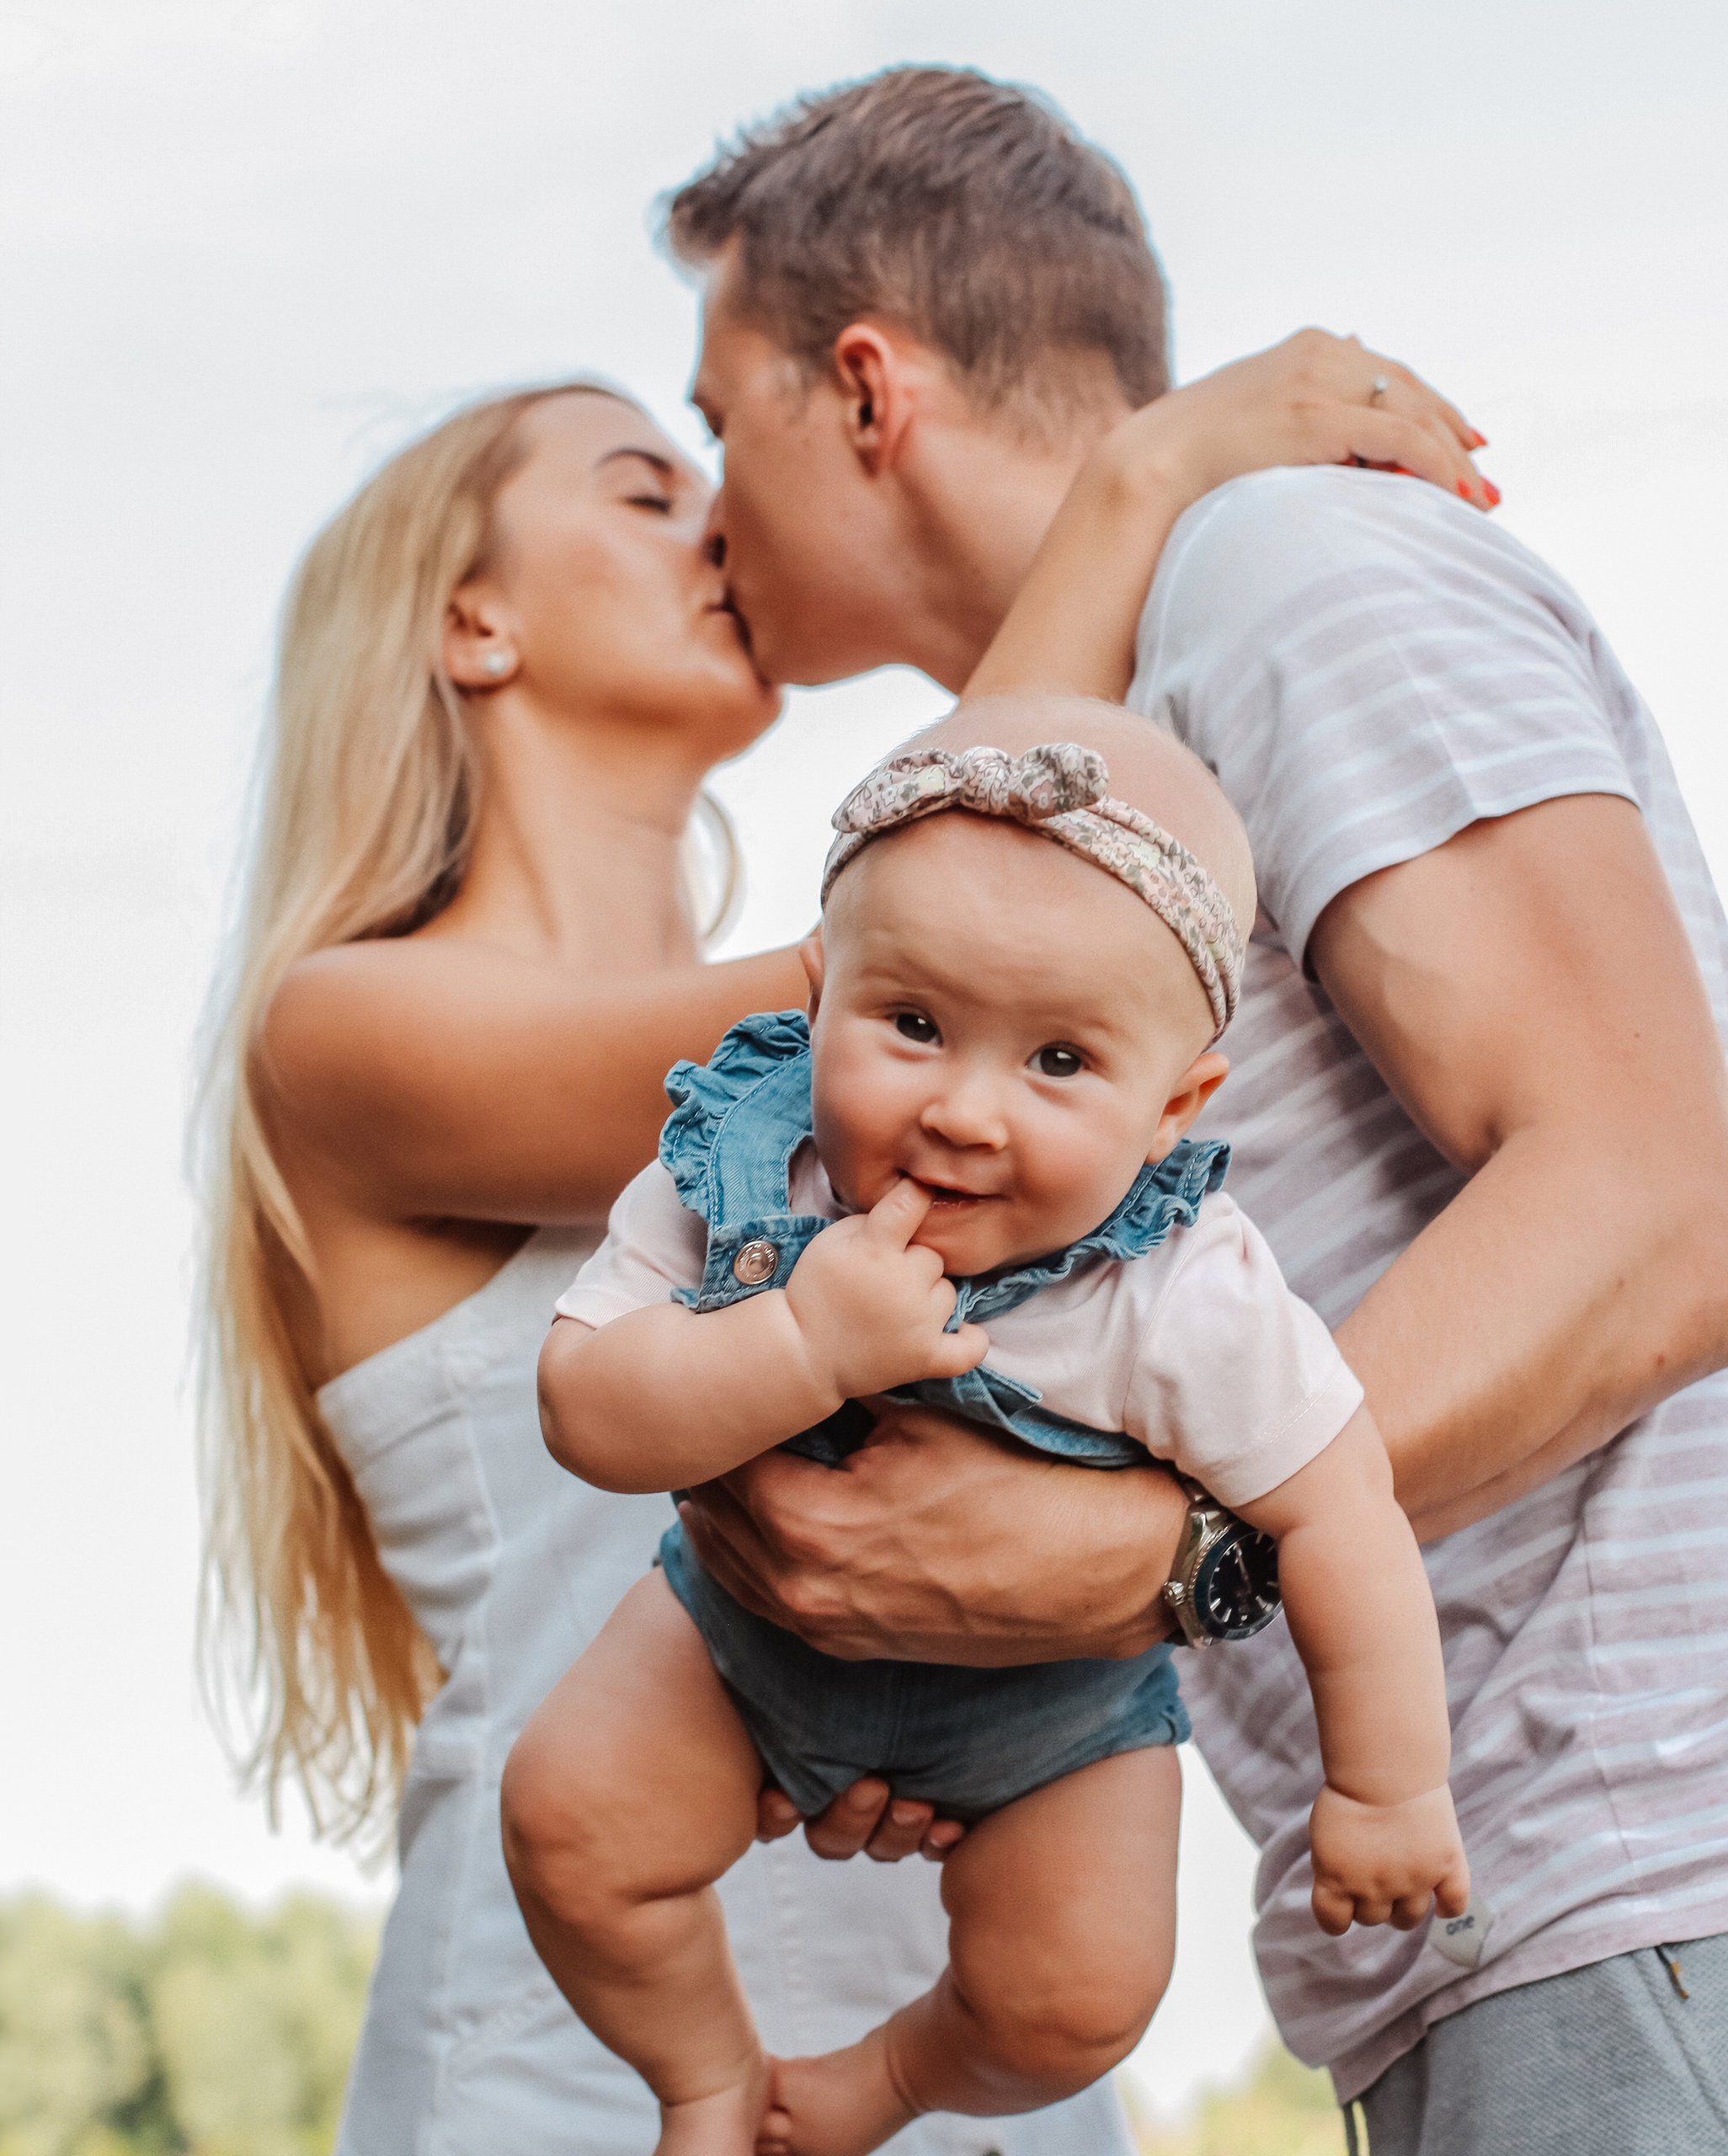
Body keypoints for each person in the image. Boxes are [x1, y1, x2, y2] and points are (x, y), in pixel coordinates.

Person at [658, 66, 1728, 2154]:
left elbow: (1644, 1227)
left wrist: (1120, 1562)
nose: (707, 505)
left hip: (1712, 1889)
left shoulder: (1276, 575)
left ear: (864, 390)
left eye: (720, 424)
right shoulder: (1047, 850)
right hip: (1562, 1949)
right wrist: (937, 1650)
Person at [190, 340, 1490, 2146]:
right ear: (471, 619)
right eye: (645, 490)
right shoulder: (350, 1030)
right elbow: (987, 916)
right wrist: (1137, 475)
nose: (714, 518)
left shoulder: (928, 1014)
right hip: (575, 2058)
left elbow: (998, 928)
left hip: (976, 2004)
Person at [506, 702, 1471, 2155]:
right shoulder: (743, 1164)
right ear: (821, 991)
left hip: (1056, 1716)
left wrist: (1388, 1782)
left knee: (1078, 1995)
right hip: (741, 1646)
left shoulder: (1181, 1288)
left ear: (1176, 1106)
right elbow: (584, 1406)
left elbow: (1341, 1511)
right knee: (572, 1829)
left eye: (1061, 1064)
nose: (965, 1111)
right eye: (913, 1025)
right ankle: (706, 2078)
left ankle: (876, 2086)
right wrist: (797, 1340)